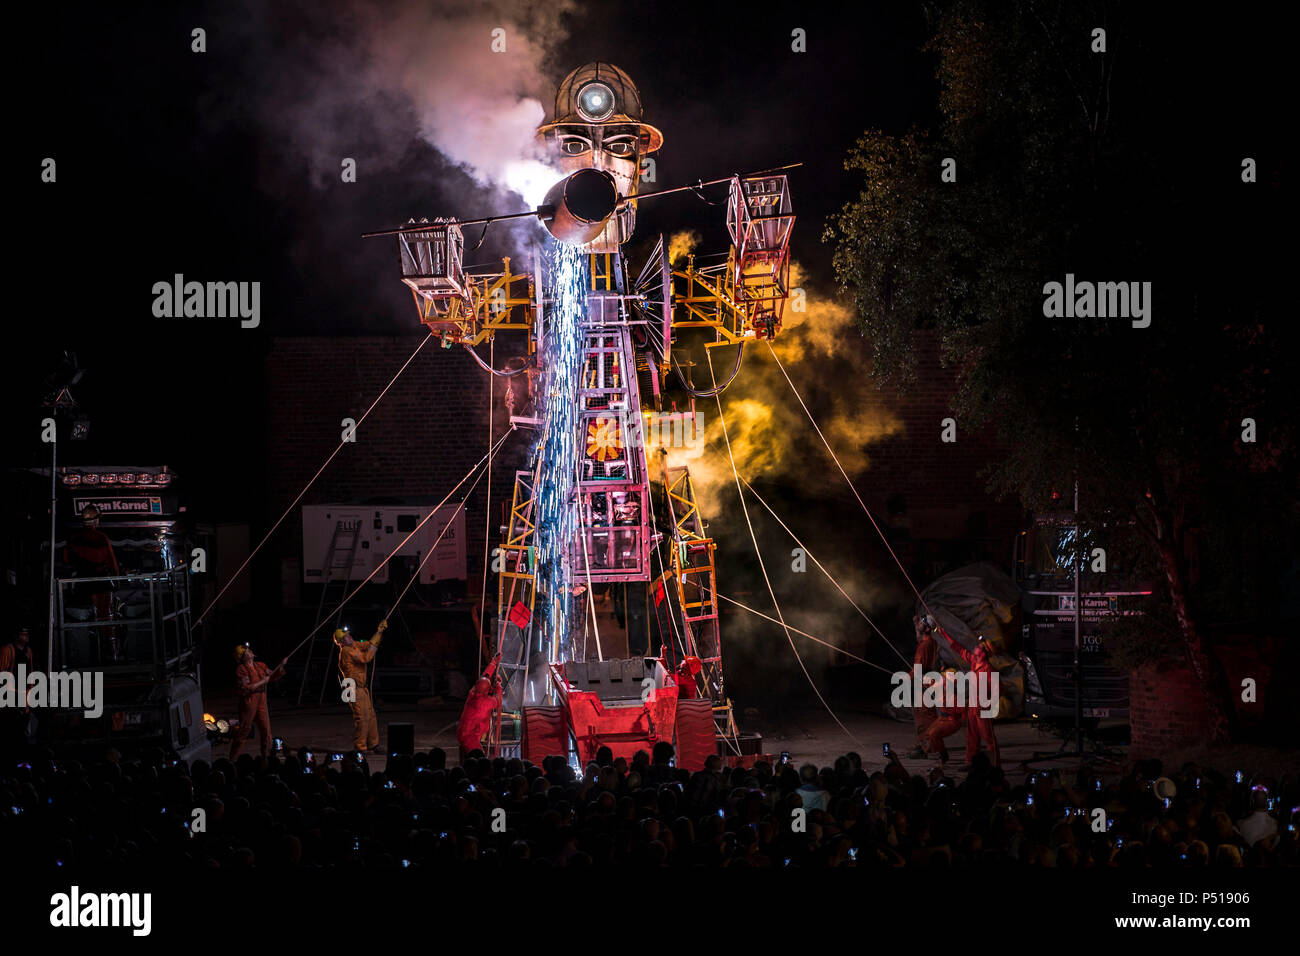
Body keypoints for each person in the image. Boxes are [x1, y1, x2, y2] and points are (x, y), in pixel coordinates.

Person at [936, 622, 1000, 768]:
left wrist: (988, 706)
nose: (977, 647)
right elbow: (958, 648)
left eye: (981, 646)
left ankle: (996, 767)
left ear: (984, 653)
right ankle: (970, 762)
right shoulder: (973, 661)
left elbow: (997, 691)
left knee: (989, 738)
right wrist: (944, 634)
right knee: (972, 736)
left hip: (982, 709)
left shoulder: (988, 670)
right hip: (972, 706)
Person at [62, 505, 121, 660]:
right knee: (105, 618)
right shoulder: (101, 538)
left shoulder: (74, 538)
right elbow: (110, 560)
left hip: (82, 585)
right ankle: (109, 654)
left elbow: (67, 559)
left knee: (87, 621)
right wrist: (117, 578)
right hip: (100, 585)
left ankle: (90, 654)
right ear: (95, 520)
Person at [336, 621, 385, 754]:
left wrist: (378, 632)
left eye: (349, 635)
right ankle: (360, 747)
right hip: (352, 687)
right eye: (346, 636)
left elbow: (368, 644)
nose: (350, 637)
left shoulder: (353, 645)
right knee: (361, 717)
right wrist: (374, 646)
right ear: (341, 641)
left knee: (370, 715)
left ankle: (373, 744)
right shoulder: (346, 651)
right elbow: (366, 658)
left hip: (361, 687)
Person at [229, 643, 285, 759]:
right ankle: (233, 759)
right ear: (243, 657)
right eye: (247, 651)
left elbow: (272, 675)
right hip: (249, 702)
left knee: (266, 730)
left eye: (249, 649)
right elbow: (247, 687)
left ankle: (266, 757)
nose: (250, 651)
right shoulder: (241, 670)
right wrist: (263, 682)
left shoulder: (260, 665)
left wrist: (280, 666)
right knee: (244, 731)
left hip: (261, 700)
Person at [458, 652, 503, 762]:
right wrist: (498, 685)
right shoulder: (484, 703)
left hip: (463, 732)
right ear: (487, 690)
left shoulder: (473, 693)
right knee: (479, 760)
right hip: (470, 737)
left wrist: (493, 663)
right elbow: (498, 700)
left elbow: (484, 677)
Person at [907, 615, 940, 758]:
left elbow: (918, 668)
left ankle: (927, 747)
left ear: (927, 628)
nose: (920, 622)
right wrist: (915, 624)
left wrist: (908, 678)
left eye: (922, 622)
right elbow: (919, 637)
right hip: (928, 680)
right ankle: (926, 743)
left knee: (924, 717)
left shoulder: (925, 646)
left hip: (924, 682)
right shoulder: (929, 641)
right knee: (928, 715)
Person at [0, 626, 35, 755]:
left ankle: (22, 755)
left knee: (24, 725)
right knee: (11, 726)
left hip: (23, 694)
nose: (26, 636)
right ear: (16, 635)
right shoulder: (7, 650)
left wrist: (29, 690)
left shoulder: (28, 651)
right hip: (10, 695)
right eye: (23, 634)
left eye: (27, 633)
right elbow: (2, 673)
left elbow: (30, 671)